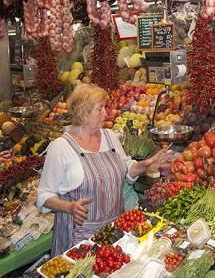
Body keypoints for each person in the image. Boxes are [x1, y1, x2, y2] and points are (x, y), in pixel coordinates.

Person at [37, 84, 173, 256]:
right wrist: (69, 207)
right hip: (79, 239)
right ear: (83, 113)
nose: (106, 114)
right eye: (100, 109)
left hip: (113, 233)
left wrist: (147, 164)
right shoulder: (61, 147)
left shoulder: (110, 138)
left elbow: (126, 171)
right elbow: (43, 195)